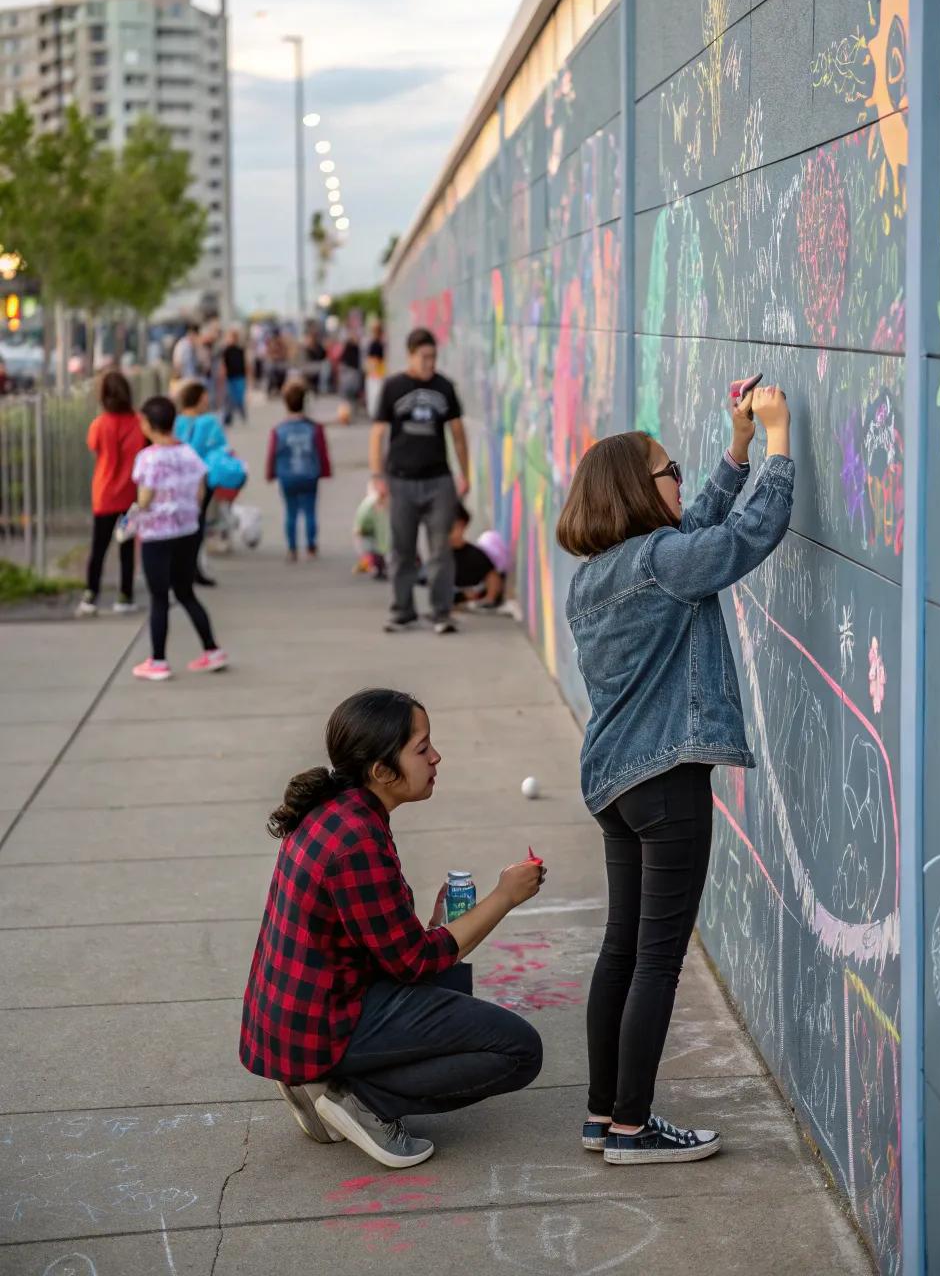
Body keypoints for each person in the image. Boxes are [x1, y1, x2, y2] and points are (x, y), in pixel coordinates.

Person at [556, 383, 794, 1165]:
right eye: (670, 471)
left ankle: (603, 1118)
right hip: (667, 783)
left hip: (614, 786)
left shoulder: (597, 576)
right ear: (637, 488)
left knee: (622, 950)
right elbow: (743, 538)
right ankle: (633, 1127)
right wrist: (781, 443)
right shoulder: (661, 564)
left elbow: (692, 532)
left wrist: (737, 448)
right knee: (656, 957)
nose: (681, 479)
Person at [239, 688, 545, 1167]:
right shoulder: (356, 837)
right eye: (422, 749)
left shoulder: (339, 809)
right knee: (519, 1049)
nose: (436, 757)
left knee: (451, 980)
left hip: (298, 1018)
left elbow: (381, 943)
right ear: (382, 771)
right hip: (320, 1023)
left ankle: (320, 1083)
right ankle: (361, 1100)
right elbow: (414, 962)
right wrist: (504, 898)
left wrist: (444, 924)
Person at [369, 328, 469, 636]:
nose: (429, 363)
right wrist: (377, 476)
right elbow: (378, 434)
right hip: (400, 481)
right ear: (410, 355)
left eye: (433, 357)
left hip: (438, 481)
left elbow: (457, 433)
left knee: (440, 550)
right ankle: (402, 611)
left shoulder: (445, 387)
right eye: (424, 357)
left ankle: (441, 612)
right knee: (402, 549)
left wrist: (464, 474)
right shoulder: (393, 387)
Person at [131, 394, 227, 681]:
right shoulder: (188, 453)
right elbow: (200, 493)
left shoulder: (147, 457)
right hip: (187, 531)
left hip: (157, 535)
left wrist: (132, 519)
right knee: (185, 592)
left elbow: (145, 498)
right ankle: (212, 650)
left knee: (159, 597)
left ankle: (158, 661)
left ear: (147, 424)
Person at [77, 370, 146, 618]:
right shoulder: (140, 422)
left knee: (99, 547)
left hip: (104, 494)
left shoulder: (99, 424)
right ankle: (125, 596)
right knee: (127, 546)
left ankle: (90, 595)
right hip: (131, 496)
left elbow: (93, 446)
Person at [266, 379, 331, 561]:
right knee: (310, 511)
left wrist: (271, 473)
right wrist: (325, 471)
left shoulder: (278, 430)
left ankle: (292, 548)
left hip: (287, 475)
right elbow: (322, 451)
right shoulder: (314, 428)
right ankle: (311, 545)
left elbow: (273, 453)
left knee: (291, 512)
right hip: (310, 474)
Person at [174, 380, 229, 587]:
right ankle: (192, 566)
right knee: (197, 524)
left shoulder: (176, 422)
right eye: (204, 398)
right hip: (201, 480)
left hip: (178, 480)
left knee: (181, 523)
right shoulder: (209, 422)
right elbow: (220, 448)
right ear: (197, 400)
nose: (207, 402)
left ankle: (182, 566)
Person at [450, 505, 507, 609]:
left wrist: (489, 598)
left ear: (462, 526)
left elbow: (492, 577)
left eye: (452, 526)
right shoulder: (440, 556)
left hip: (472, 603)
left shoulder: (475, 555)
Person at [353, 479, 389, 579]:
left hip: (377, 531)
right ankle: (374, 567)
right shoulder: (370, 503)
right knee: (373, 550)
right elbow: (362, 516)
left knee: (378, 550)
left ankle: (378, 567)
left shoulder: (383, 503)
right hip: (367, 531)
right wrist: (359, 528)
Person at [221, 328, 248, 425]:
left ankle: (242, 413)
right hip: (230, 377)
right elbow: (223, 365)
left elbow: (245, 363)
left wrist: (248, 377)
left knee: (239, 397)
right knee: (230, 398)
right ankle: (228, 417)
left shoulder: (240, 350)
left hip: (240, 376)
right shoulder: (226, 351)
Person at [363, 318, 386, 421]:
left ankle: (374, 413)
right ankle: (374, 414)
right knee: (375, 394)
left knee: (374, 394)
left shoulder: (376, 343)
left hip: (375, 372)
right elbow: (374, 360)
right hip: (376, 372)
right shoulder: (376, 343)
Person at [265, 327, 288, 397]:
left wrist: (280, 355)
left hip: (280, 362)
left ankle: (280, 388)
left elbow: (284, 353)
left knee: (283, 371)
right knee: (271, 371)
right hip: (273, 362)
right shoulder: (270, 342)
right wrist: (275, 356)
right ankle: (271, 389)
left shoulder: (281, 343)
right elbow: (268, 354)